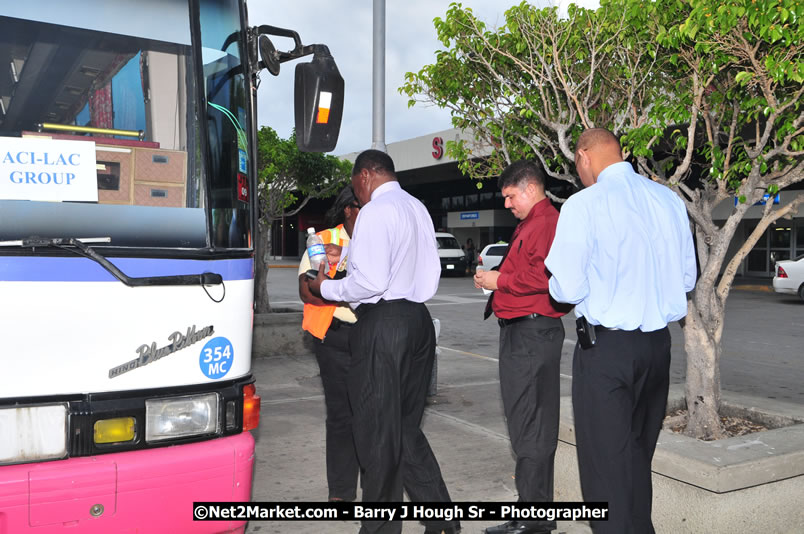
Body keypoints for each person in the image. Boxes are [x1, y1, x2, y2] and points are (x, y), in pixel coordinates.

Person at [544, 129, 697, 534]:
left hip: (607, 351)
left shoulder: (584, 204)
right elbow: (687, 279)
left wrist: (559, 282)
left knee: (604, 473)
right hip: (657, 348)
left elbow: (566, 289)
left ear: (583, 156)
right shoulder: (668, 200)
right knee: (636, 460)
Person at [306, 149, 459, 534]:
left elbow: (370, 282)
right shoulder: (417, 207)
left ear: (366, 175)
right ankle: (443, 521)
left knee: (376, 435)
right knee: (403, 430)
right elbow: (415, 265)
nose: (356, 194)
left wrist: (326, 287)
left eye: (355, 185)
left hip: (384, 326)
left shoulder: (375, 210)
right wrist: (347, 256)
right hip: (418, 321)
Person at [474, 160, 570, 534]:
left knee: (529, 426)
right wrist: (496, 279)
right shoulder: (532, 222)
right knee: (531, 426)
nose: (507, 204)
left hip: (530, 334)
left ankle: (534, 518)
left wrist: (499, 280)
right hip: (527, 333)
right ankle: (533, 511)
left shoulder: (545, 222)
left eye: (511, 196)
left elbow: (544, 275)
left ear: (530, 189)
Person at [297, 186, 361, 502]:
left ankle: (377, 489)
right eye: (364, 206)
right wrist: (343, 294)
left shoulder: (378, 239)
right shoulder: (322, 241)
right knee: (340, 415)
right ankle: (341, 492)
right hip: (334, 336)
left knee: (374, 414)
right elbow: (306, 291)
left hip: (372, 334)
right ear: (349, 209)